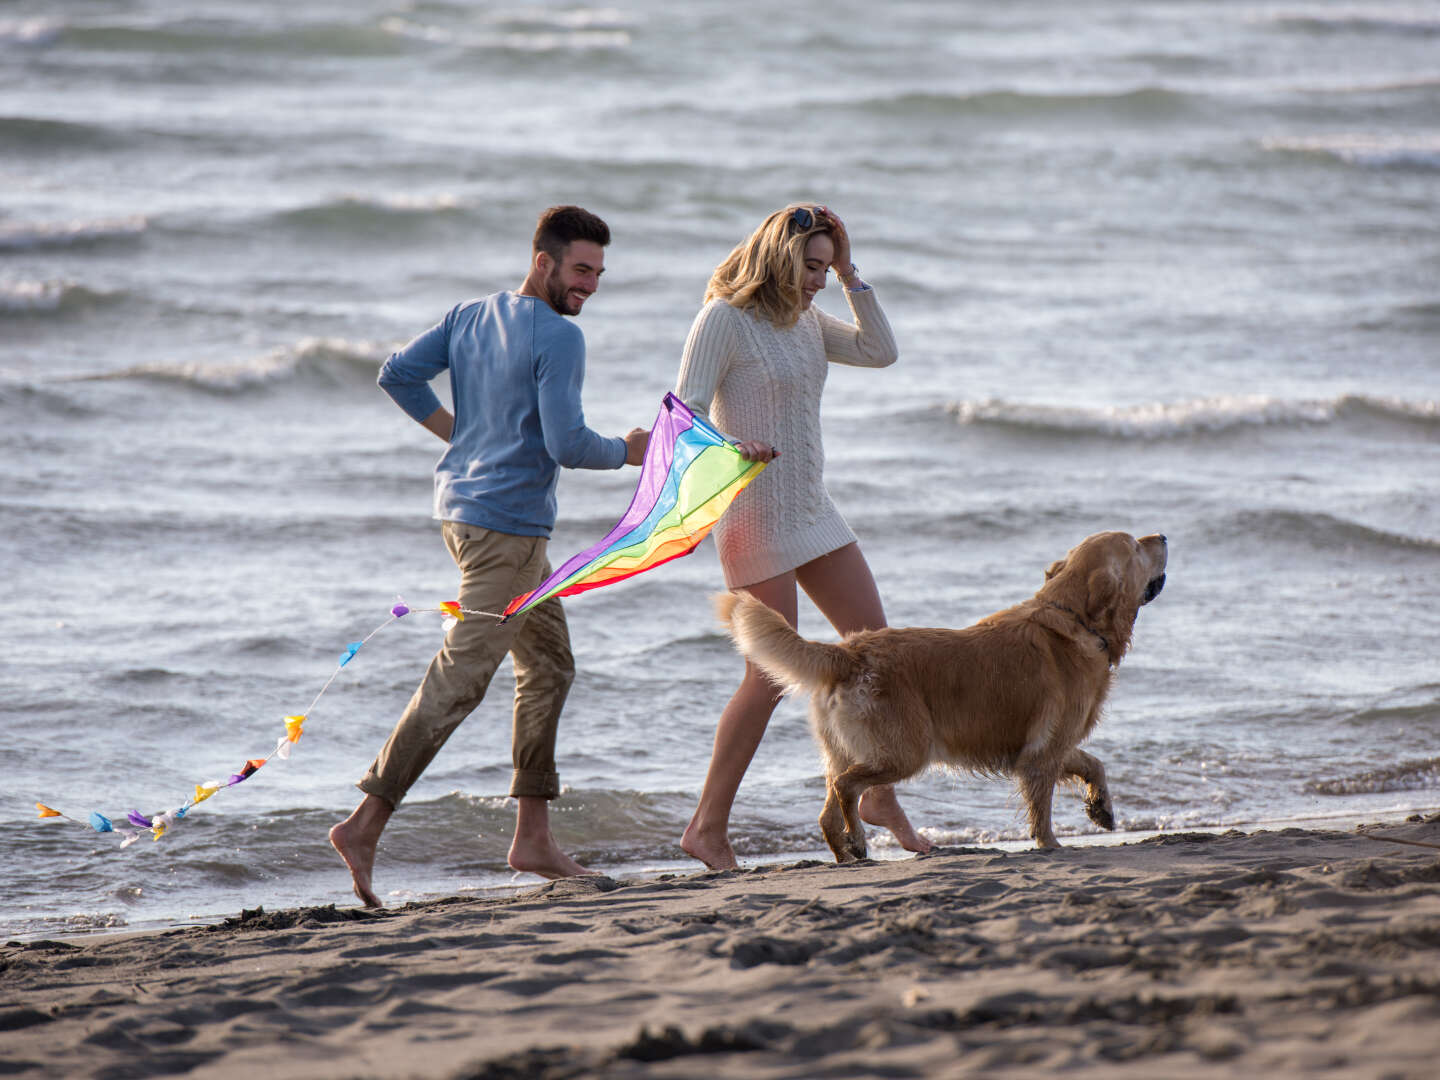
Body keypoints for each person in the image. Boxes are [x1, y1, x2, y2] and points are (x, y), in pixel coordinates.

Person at [330, 205, 648, 907]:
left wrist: (462, 438)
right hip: (504, 532)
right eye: (580, 269)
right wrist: (626, 452)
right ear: (544, 262)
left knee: (549, 665)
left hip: (471, 519)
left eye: (598, 273)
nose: (590, 285)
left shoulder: (469, 315)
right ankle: (364, 823)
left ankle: (532, 836)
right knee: (461, 677)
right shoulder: (560, 338)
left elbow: (397, 376)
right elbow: (567, 444)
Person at [674, 203, 933, 870]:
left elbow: (882, 352)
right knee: (766, 679)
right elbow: (683, 415)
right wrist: (735, 447)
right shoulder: (723, 320)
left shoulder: (806, 320)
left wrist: (852, 274)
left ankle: (873, 798)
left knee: (878, 655)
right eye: (811, 266)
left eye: (824, 266)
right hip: (753, 513)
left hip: (813, 511)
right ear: (778, 257)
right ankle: (707, 828)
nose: (817, 279)